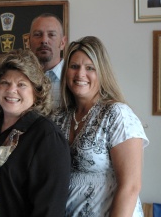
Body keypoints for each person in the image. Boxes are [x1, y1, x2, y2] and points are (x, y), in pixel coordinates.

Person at [51, 36, 149, 216]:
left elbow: (131, 186)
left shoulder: (117, 114)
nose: (80, 74)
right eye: (74, 67)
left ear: (101, 72)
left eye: (90, 68)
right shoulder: (58, 118)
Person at [0, 49, 70, 217]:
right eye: (5, 83)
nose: (11, 90)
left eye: (21, 84)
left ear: (36, 92)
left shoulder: (47, 137)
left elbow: (50, 210)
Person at [29, 13, 66, 110]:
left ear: (62, 43)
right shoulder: (21, 77)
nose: (44, 40)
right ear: (28, 41)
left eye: (51, 35)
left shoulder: (74, 79)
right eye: (38, 35)